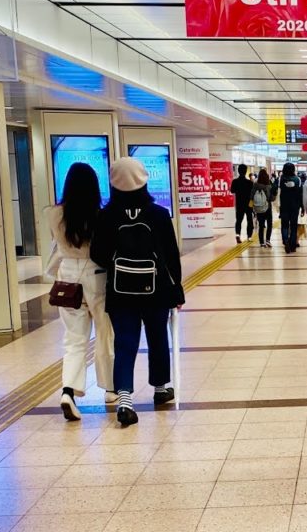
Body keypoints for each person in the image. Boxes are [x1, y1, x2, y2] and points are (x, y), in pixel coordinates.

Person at [90, 158, 184, 427]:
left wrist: (119, 264)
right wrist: (177, 289)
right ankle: (160, 388)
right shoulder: (158, 213)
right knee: (157, 338)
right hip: (156, 290)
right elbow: (170, 255)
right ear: (144, 179)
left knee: (125, 343)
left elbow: (98, 254)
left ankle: (124, 400)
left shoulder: (106, 216)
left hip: (121, 292)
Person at [46, 163, 115, 421]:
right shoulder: (100, 215)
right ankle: (110, 388)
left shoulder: (54, 214)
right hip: (96, 275)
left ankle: (68, 391)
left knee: (74, 338)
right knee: (106, 332)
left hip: (68, 278)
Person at [278, 163, 304, 253]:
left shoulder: (280, 179)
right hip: (295, 207)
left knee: (284, 225)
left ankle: (286, 242)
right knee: (293, 226)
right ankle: (292, 245)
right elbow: (301, 194)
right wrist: (302, 207)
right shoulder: (298, 180)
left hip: (284, 206)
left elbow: (274, 190)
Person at [251, 169, 275, 248]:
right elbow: (271, 198)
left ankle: (261, 242)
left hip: (259, 208)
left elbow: (251, 196)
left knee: (261, 226)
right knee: (269, 224)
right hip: (268, 207)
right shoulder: (269, 185)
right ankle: (267, 240)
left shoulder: (255, 185)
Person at [231, 164, 254, 243]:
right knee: (249, 220)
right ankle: (249, 236)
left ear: (238, 171)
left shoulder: (235, 181)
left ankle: (238, 235)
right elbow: (252, 194)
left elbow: (232, 191)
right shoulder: (250, 183)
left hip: (239, 204)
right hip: (248, 204)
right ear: (245, 171)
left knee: (238, 220)